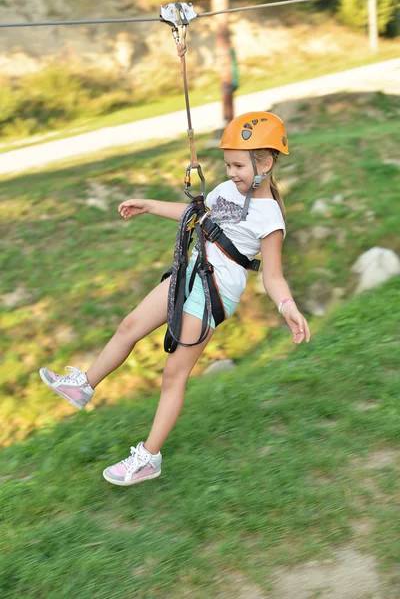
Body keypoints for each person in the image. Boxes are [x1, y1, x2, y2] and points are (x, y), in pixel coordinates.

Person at [39, 111, 311, 487]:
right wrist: (149, 205)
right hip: (190, 269)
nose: (231, 172)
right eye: (227, 164)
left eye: (237, 165)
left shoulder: (270, 217)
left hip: (216, 287)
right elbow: (194, 216)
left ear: (265, 161)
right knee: (130, 324)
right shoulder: (225, 190)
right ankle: (83, 385)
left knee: (173, 373)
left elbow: (273, 275)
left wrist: (288, 307)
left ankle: (148, 457)